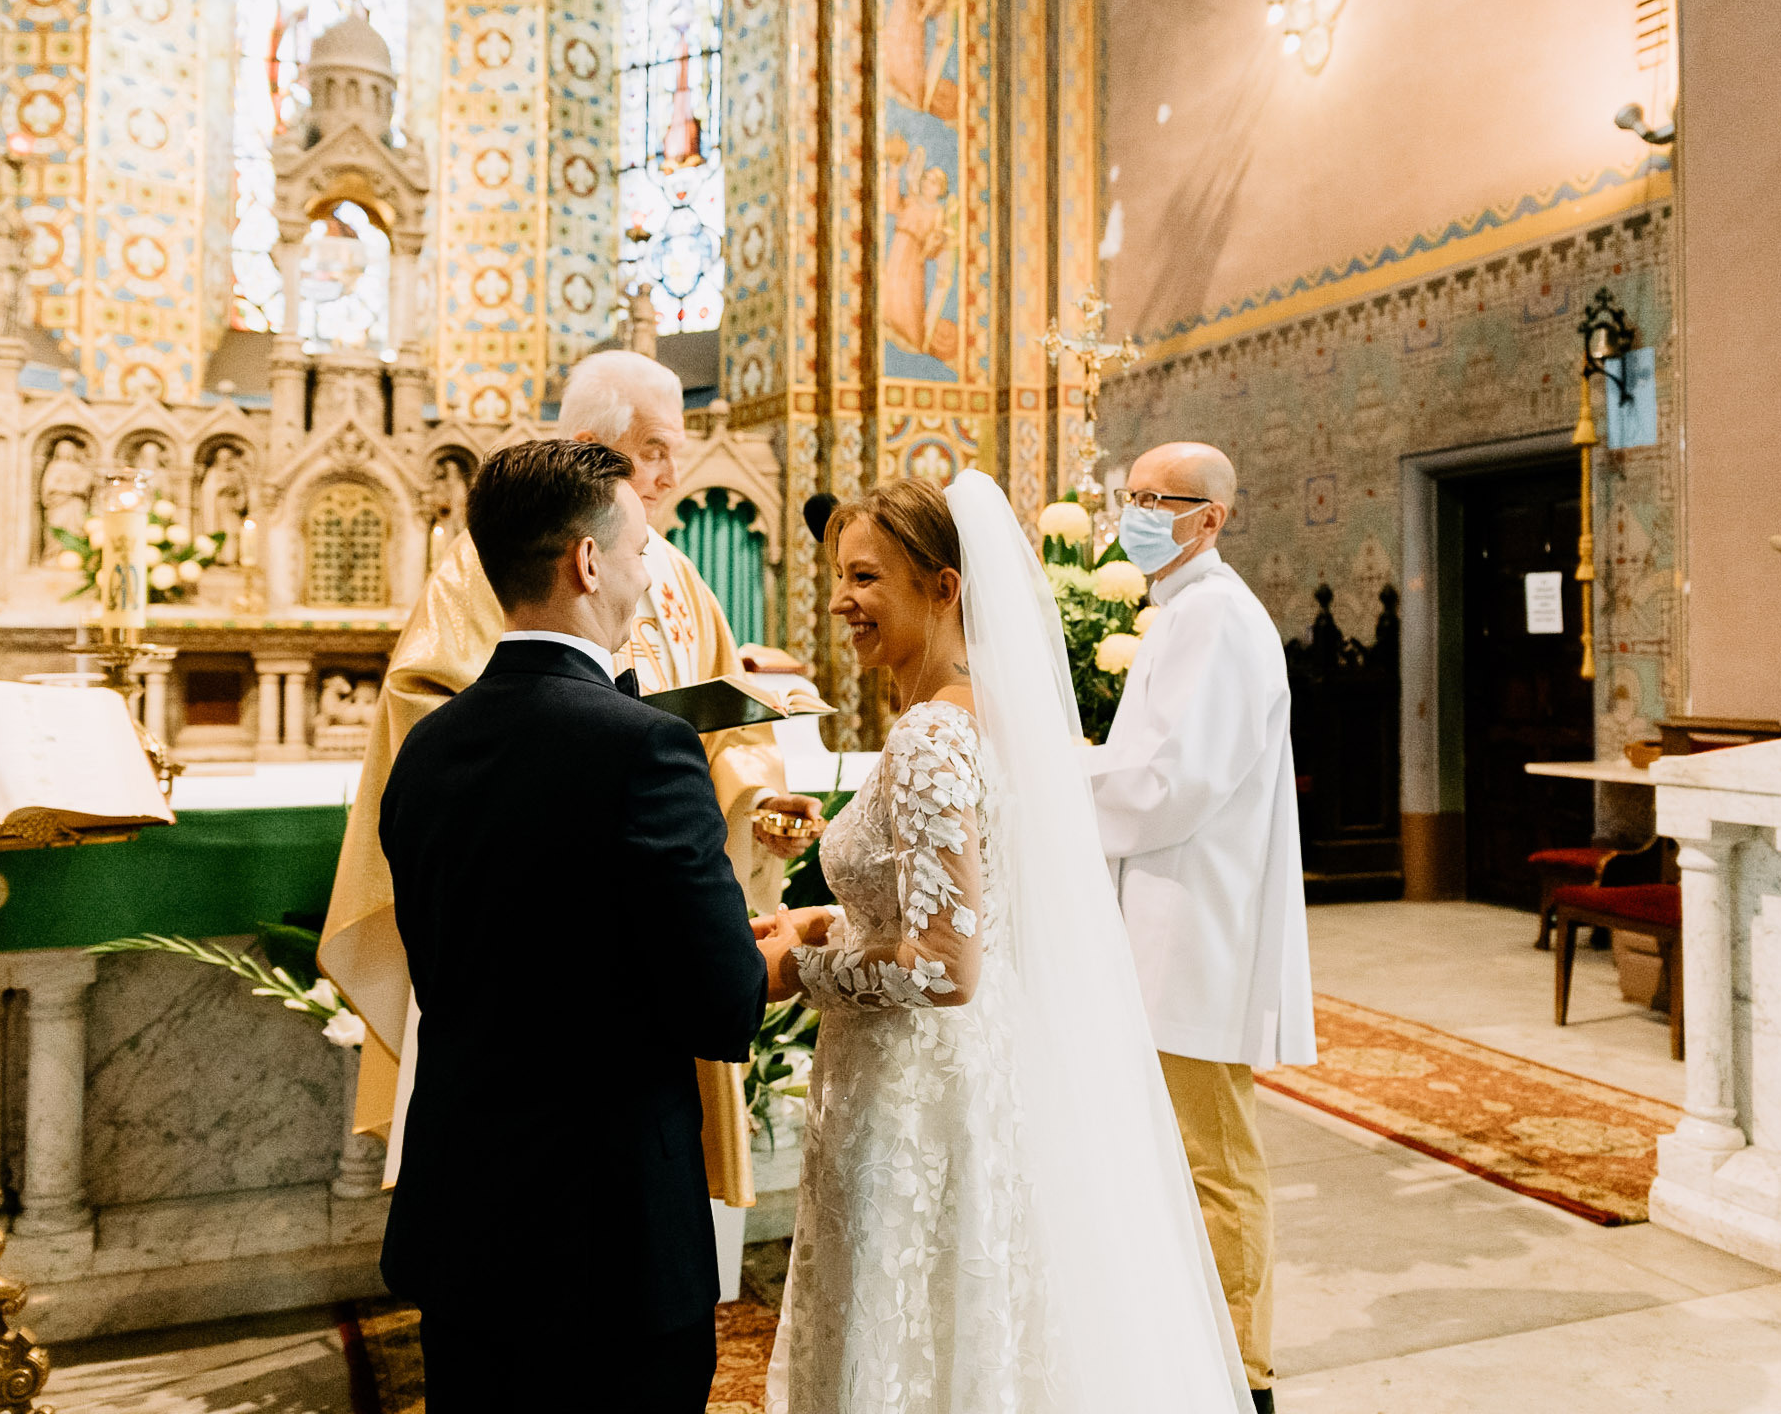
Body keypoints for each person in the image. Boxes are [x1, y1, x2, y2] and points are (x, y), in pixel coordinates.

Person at [756, 473, 1252, 1414]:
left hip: (915, 1086)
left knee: (914, 1340)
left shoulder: (935, 734)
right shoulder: (972, 718)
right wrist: (823, 921)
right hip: (957, 1070)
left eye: (865, 577)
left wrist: (797, 967)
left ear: (944, 587)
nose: (839, 601)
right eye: (837, 576)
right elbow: (959, 910)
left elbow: (946, 966)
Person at [319, 348, 821, 1207]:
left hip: (644, 919)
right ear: (592, 448)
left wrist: (757, 797)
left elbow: (725, 716)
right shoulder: (489, 566)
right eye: (654, 448)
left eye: (679, 447)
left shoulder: (675, 574)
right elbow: (428, 717)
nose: (673, 472)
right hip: (546, 930)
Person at [377, 440, 793, 1405]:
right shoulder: (648, 748)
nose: (652, 576)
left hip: (465, 1229)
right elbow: (719, 1006)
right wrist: (779, 950)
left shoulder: (426, 746)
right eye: (643, 550)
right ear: (589, 562)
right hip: (609, 1239)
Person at [1085, 441, 1314, 1414]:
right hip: (1172, 918)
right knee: (1183, 1152)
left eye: (1154, 499)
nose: (1132, 513)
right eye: (1127, 495)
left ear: (1209, 517)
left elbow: (1166, 784)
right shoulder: (1182, 613)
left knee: (1216, 1156)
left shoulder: (1216, 618)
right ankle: (1201, 1351)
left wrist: (1056, 767)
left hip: (1200, 925)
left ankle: (1247, 1374)